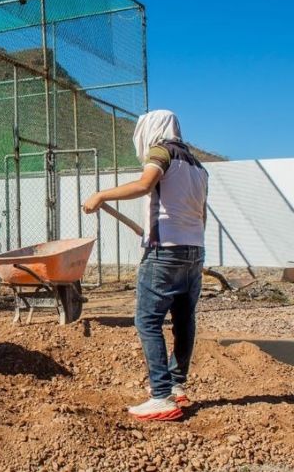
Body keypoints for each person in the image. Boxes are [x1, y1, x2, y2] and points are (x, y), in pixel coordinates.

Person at [82, 110, 208, 421]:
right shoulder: (197, 165)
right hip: (194, 250)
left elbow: (144, 184)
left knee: (147, 321)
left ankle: (161, 396)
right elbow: (201, 214)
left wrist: (101, 195)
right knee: (183, 321)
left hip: (163, 252)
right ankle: (177, 385)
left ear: (151, 130)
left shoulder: (161, 151)